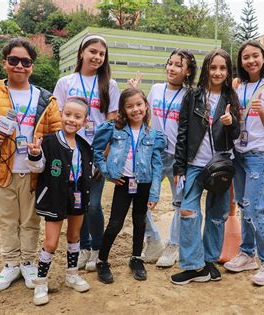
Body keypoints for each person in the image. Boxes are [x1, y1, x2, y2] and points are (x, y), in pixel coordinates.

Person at [0, 38, 61, 292]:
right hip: (2, 170)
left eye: (25, 62)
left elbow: (56, 133)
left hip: (34, 171)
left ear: (32, 66)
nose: (19, 66)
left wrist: (42, 148)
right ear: (5, 63)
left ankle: (28, 261)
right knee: (7, 220)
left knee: (30, 220)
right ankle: (11, 264)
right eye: (14, 61)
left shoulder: (46, 99)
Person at [170, 48, 240, 285]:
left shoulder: (231, 97)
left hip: (220, 164)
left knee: (217, 216)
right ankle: (193, 266)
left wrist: (231, 124)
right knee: (188, 211)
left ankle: (209, 261)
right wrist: (179, 168)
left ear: (228, 72)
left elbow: (237, 134)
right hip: (193, 165)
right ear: (206, 69)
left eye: (223, 68)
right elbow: (182, 131)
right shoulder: (193, 96)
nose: (218, 72)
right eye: (213, 67)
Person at [53, 34, 120, 272]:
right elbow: (57, 116)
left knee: (93, 205)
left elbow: (111, 121)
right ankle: (82, 247)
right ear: (82, 52)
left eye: (102, 54)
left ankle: (97, 251)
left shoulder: (109, 85)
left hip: (97, 151)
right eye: (93, 51)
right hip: (72, 149)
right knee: (76, 201)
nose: (97, 57)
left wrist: (104, 155)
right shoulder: (65, 82)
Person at [127, 49, 198, 268]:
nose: (172, 68)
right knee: (139, 199)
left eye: (178, 65)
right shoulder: (156, 89)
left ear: (187, 72)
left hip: (178, 159)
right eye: (170, 63)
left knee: (180, 202)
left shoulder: (191, 95)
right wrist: (134, 92)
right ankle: (153, 239)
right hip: (153, 154)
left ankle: (174, 245)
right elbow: (143, 113)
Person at [223, 40, 264, 286]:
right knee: (244, 204)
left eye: (255, 56)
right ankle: (247, 253)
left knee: (255, 208)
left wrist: (262, 111)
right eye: (246, 57)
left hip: (260, 153)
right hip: (239, 152)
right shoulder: (238, 86)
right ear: (241, 62)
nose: (251, 61)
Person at [92, 88, 165, 283]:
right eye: (129, 106)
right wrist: (108, 172)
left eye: (139, 104)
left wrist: (154, 193)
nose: (135, 109)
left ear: (146, 106)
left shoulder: (153, 135)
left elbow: (157, 166)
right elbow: (97, 151)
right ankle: (102, 260)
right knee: (115, 223)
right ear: (123, 109)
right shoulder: (113, 129)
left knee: (140, 221)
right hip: (123, 183)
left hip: (144, 183)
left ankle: (136, 258)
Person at [26, 98, 93, 305]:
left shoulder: (84, 145)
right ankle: (41, 282)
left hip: (77, 196)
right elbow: (37, 168)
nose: (72, 120)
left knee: (74, 236)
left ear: (85, 120)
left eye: (78, 116)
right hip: (54, 197)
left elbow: (86, 170)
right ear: (61, 114)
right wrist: (35, 155)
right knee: (51, 242)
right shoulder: (48, 141)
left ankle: (72, 274)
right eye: (68, 114)